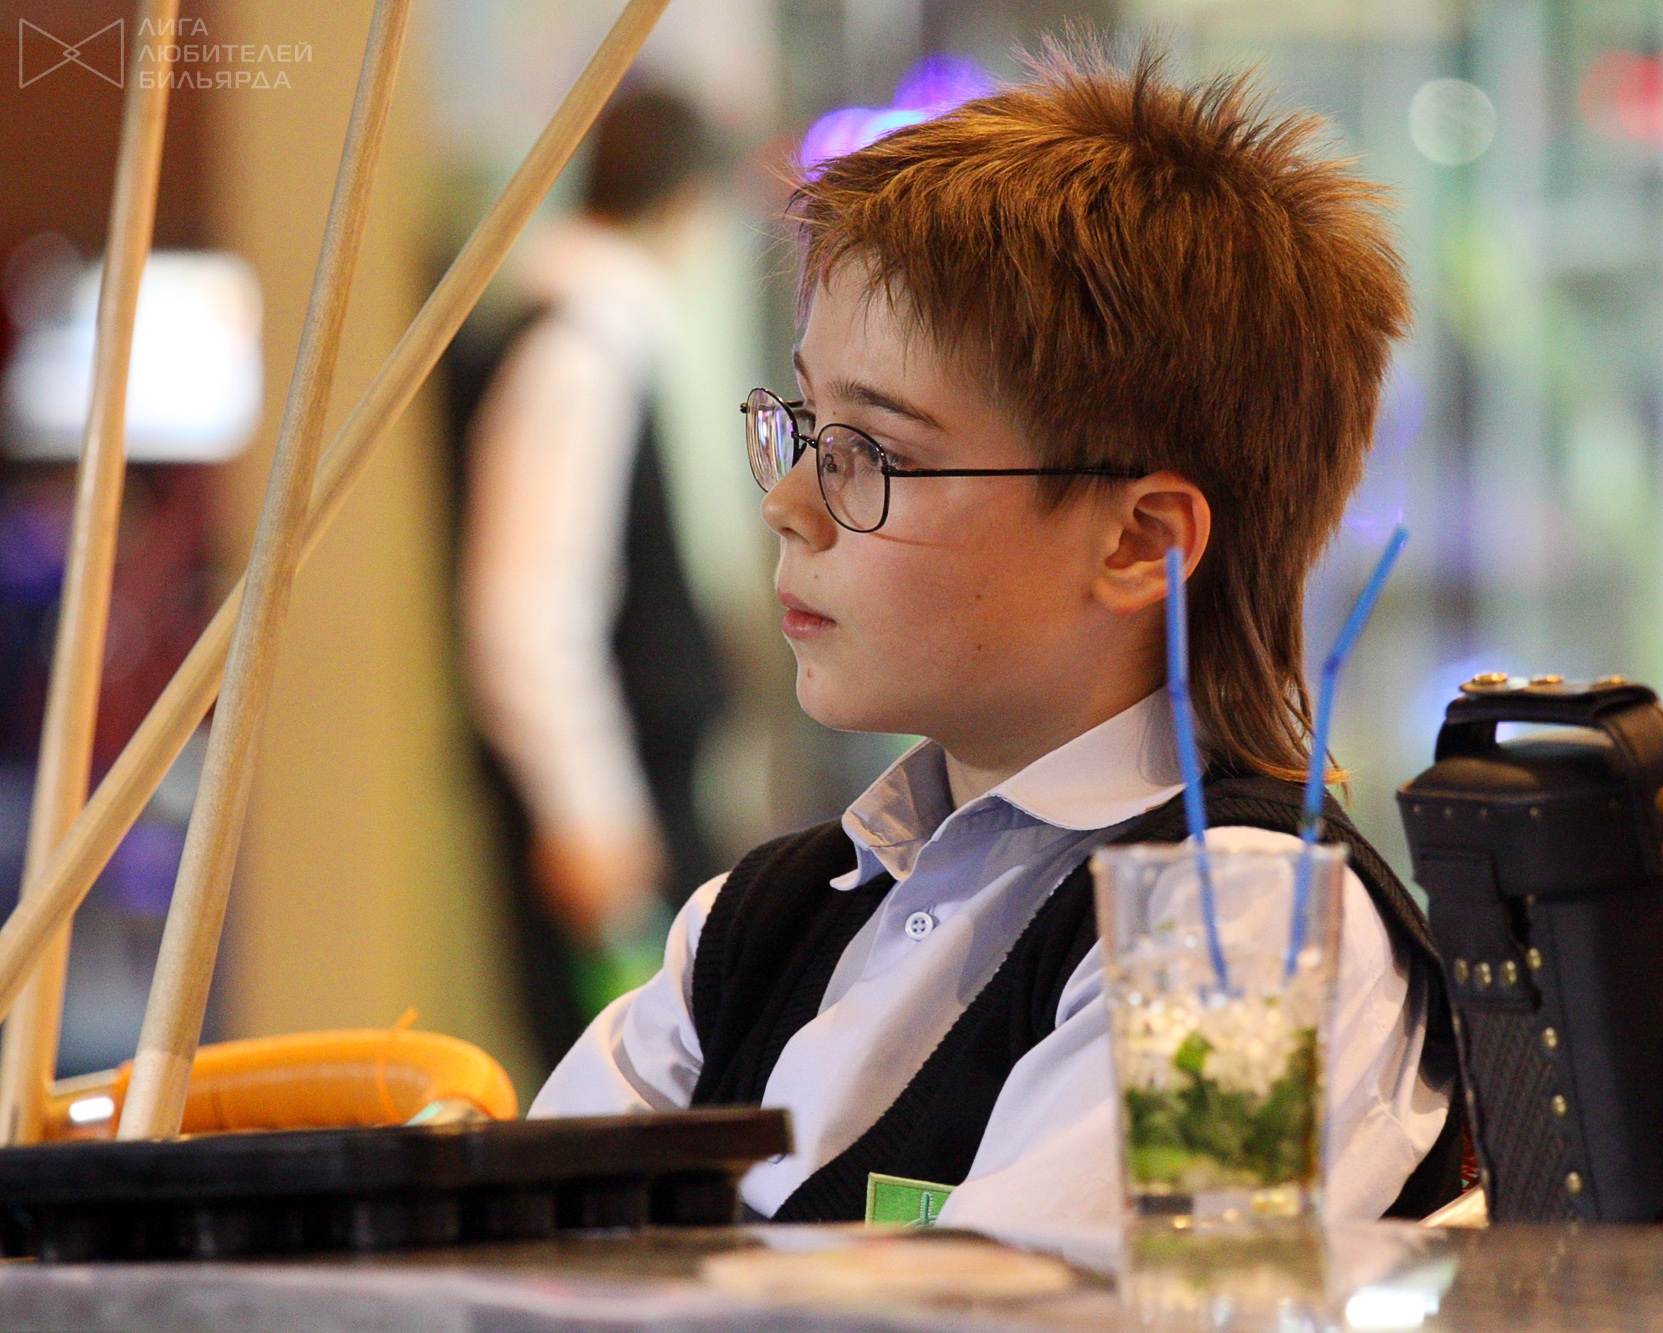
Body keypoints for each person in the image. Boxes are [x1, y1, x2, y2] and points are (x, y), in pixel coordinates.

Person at [531, 51, 1461, 1230]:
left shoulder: (1251, 936)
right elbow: (510, 1263)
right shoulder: (758, 920)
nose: (791, 503)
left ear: (1139, 542)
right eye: (805, 424)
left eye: (875, 451)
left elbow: (1048, 1304)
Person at [458, 90, 728, 1071]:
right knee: (632, 1086)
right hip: (615, 809)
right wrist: (589, 813)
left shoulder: (596, 334)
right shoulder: (577, 349)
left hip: (633, 791)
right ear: (686, 204)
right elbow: (528, 609)